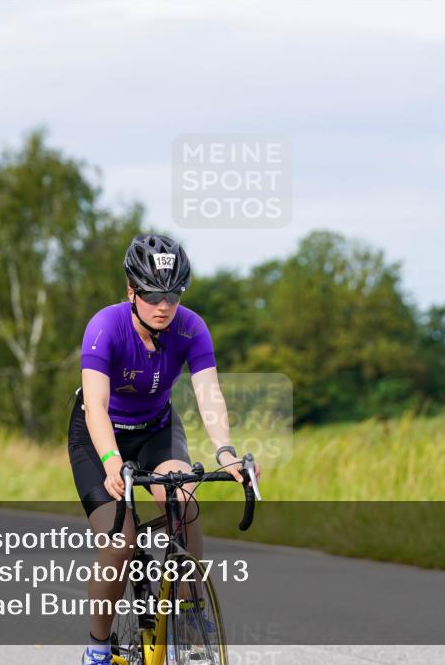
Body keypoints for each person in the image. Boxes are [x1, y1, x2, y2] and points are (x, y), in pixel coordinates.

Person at [70, 234, 256, 665]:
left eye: (173, 294)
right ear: (131, 292)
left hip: (157, 429)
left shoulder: (191, 327)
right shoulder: (105, 326)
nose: (164, 306)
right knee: (121, 541)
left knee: (183, 499)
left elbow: (209, 395)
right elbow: (95, 406)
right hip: (100, 435)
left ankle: (189, 612)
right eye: (153, 294)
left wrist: (226, 452)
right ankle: (98, 646)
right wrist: (112, 462)